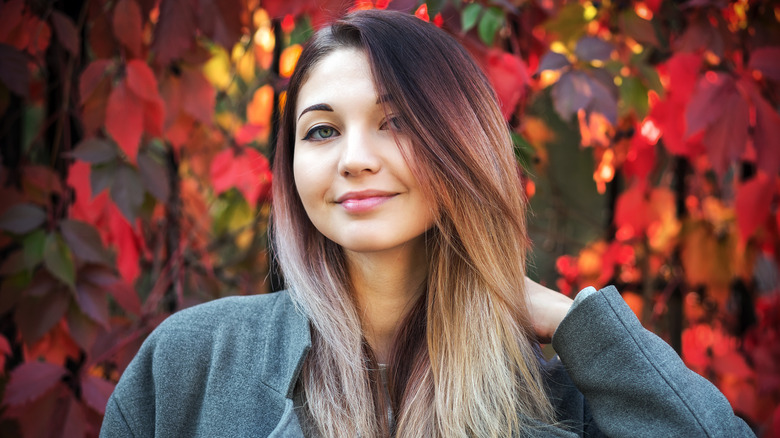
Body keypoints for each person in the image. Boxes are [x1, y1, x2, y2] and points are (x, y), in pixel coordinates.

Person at [100, 10, 754, 438]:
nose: (354, 160)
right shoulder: (195, 362)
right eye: (322, 130)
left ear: (462, 146)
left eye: (398, 123)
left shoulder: (558, 395)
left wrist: (569, 321)